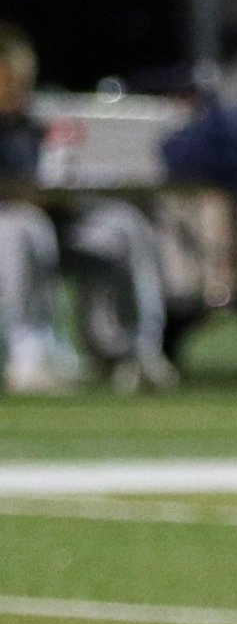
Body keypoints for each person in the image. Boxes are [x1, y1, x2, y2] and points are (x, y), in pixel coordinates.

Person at [0, 26, 175, 393]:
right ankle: (28, 355)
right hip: (15, 232)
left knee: (122, 227)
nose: (17, 88)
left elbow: (50, 177)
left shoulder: (31, 126)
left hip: (53, 224)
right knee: (23, 228)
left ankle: (133, 352)